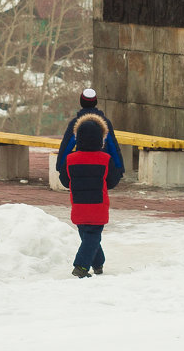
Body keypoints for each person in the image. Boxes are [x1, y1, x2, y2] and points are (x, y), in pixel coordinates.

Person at [58, 113, 122, 278]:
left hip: (78, 205)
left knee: (88, 235)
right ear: (100, 139)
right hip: (98, 205)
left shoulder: (70, 159)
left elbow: (65, 181)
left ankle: (98, 263)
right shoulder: (105, 159)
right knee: (92, 237)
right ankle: (81, 266)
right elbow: (113, 180)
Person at [55, 88, 124, 182]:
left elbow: (66, 145)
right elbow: (113, 146)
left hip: (82, 165)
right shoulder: (105, 122)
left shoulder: (76, 123)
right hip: (102, 166)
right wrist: (119, 168)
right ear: (95, 102)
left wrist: (60, 166)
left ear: (81, 102)